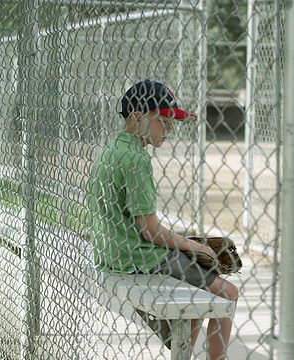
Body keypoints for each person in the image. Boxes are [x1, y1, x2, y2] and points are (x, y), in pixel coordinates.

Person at [86, 79, 238, 359]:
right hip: (141, 257)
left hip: (114, 252)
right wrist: (196, 247)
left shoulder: (111, 152)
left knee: (193, 300)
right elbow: (150, 231)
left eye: (172, 121)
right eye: (163, 119)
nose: (170, 128)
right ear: (137, 117)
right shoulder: (136, 160)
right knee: (228, 293)